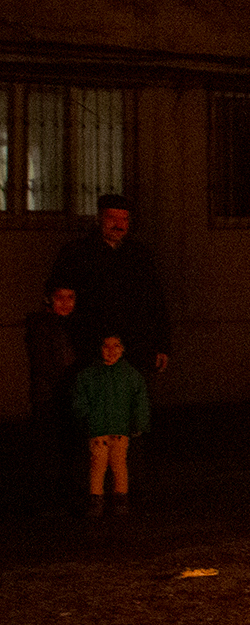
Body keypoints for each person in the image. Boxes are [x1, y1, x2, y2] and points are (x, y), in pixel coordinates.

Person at [48, 194, 171, 378]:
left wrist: (162, 344)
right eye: (112, 218)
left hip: (135, 347)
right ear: (98, 218)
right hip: (89, 347)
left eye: (124, 219)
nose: (119, 225)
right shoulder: (76, 253)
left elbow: (155, 301)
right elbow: (60, 302)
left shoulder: (139, 255)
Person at [72, 333, 150, 518]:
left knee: (119, 465)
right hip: (98, 429)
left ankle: (120, 500)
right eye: (106, 346)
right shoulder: (88, 375)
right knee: (97, 466)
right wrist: (85, 420)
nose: (111, 350)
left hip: (120, 430)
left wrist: (139, 423)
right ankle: (96, 501)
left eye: (116, 346)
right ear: (99, 349)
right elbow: (79, 400)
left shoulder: (131, 375)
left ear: (122, 349)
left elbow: (140, 401)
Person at [25, 280, 83, 514]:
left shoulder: (71, 325)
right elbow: (44, 364)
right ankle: (49, 499)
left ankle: (65, 495)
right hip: (50, 396)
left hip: (66, 395)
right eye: (61, 297)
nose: (66, 303)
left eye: (71, 298)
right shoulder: (41, 325)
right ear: (49, 298)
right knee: (50, 448)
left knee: (69, 447)